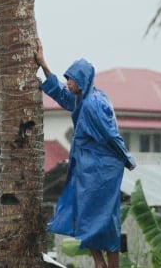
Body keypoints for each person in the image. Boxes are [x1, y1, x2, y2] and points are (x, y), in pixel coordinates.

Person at [35, 39, 135, 268]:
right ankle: (99, 262)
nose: (68, 82)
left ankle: (112, 265)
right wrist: (43, 64)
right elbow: (60, 93)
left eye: (71, 79)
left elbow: (110, 135)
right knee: (84, 214)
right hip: (87, 167)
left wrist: (127, 158)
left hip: (103, 168)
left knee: (106, 217)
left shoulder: (93, 104)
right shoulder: (81, 98)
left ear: (82, 81)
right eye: (68, 78)